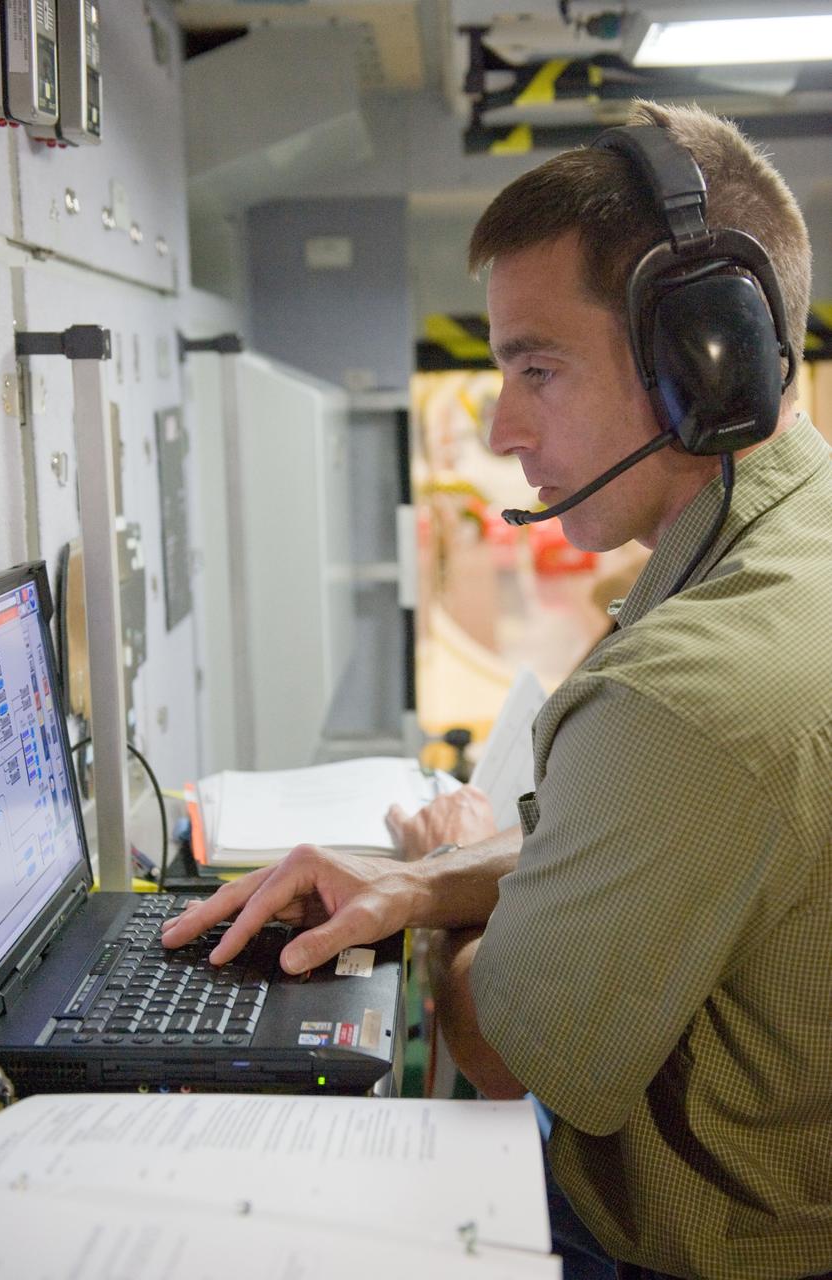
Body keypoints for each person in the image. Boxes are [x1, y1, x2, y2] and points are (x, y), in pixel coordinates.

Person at [163, 99, 832, 1280]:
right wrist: (424, 878)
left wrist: (453, 902)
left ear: (704, 359)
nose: (500, 423)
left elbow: (502, 1044)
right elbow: (673, 850)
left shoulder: (690, 693)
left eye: (537, 366)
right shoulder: (791, 556)